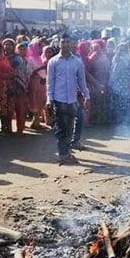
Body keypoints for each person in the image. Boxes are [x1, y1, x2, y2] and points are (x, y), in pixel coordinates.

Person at [47, 34, 90, 165]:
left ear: (72, 44)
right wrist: (49, 99)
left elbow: (82, 82)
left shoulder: (77, 62)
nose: (65, 44)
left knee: (70, 127)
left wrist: (87, 96)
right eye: (63, 41)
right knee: (61, 128)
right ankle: (62, 154)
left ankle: (66, 152)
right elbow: (50, 82)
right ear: (59, 43)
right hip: (58, 100)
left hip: (72, 100)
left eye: (68, 42)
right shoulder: (53, 62)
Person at [109, 42, 130, 125]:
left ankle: (121, 122)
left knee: (120, 105)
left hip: (119, 86)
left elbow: (114, 74)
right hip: (124, 86)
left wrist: (109, 83)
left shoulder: (121, 60)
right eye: (120, 49)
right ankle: (123, 122)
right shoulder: (127, 59)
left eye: (122, 50)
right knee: (123, 105)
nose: (121, 51)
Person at [26, 40, 46, 129]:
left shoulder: (39, 58)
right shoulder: (31, 59)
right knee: (36, 101)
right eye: (38, 47)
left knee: (41, 100)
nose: (40, 49)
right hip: (35, 82)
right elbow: (29, 72)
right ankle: (35, 122)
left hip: (41, 81)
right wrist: (40, 68)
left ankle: (36, 121)